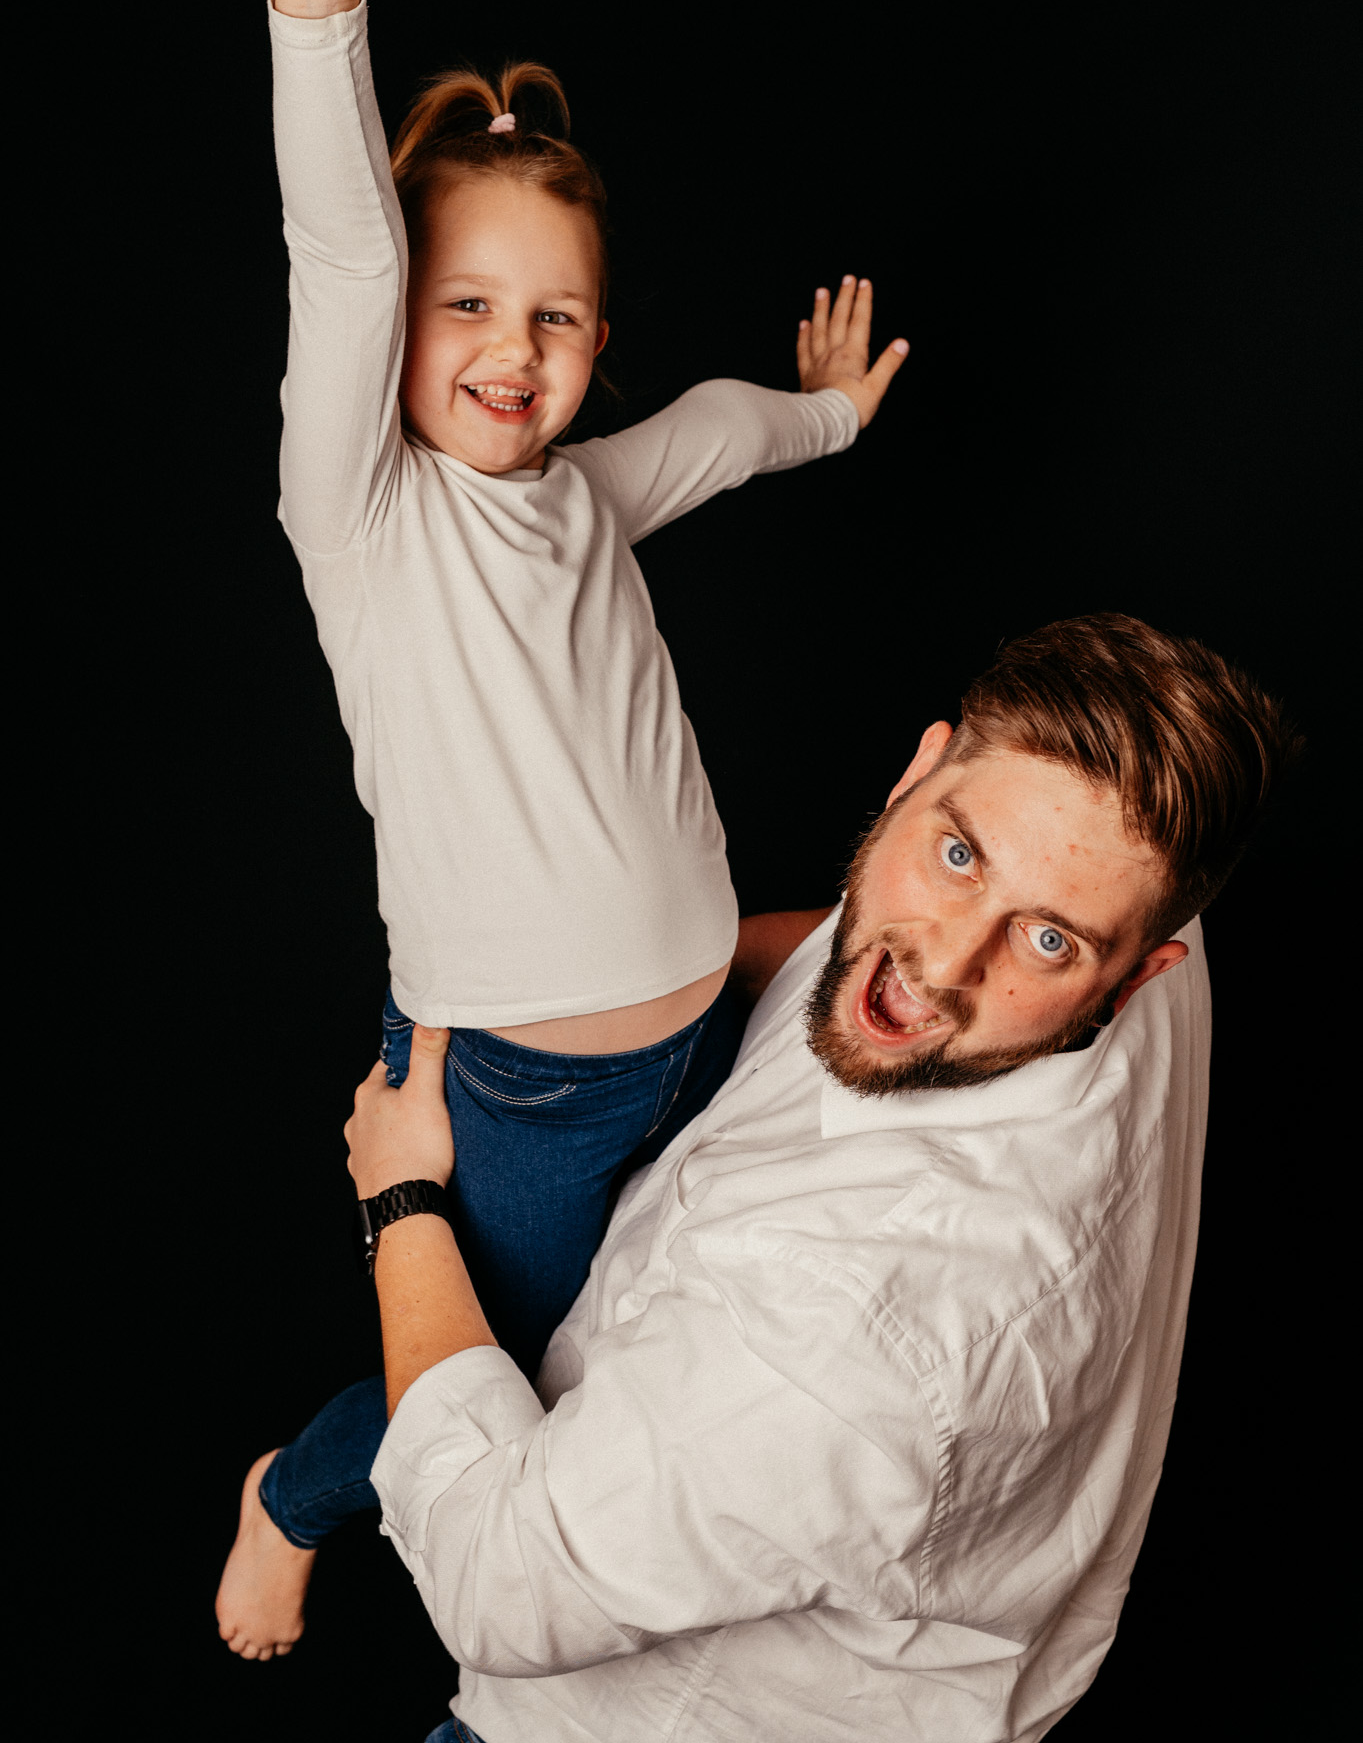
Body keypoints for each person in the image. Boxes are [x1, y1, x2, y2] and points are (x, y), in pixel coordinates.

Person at [214, 0, 908, 1660]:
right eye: (466, 308)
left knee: (634, 1346)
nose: (509, 353)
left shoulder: (588, 492)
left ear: (594, 340)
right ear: (401, 331)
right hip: (515, 1078)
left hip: (688, 1028)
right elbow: (342, 254)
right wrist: (319, 15)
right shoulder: (368, 516)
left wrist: (829, 416)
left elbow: (717, 428)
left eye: (553, 319)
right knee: (488, 1365)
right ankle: (293, 1493)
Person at [338, 614, 1297, 1742]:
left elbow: (498, 1587)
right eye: (957, 855)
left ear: (1134, 981)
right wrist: (629, 1007)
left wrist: (399, 1197)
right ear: (918, 772)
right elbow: (837, 943)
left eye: (1045, 943)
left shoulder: (846, 1342)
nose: (945, 962)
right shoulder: (1118, 850)